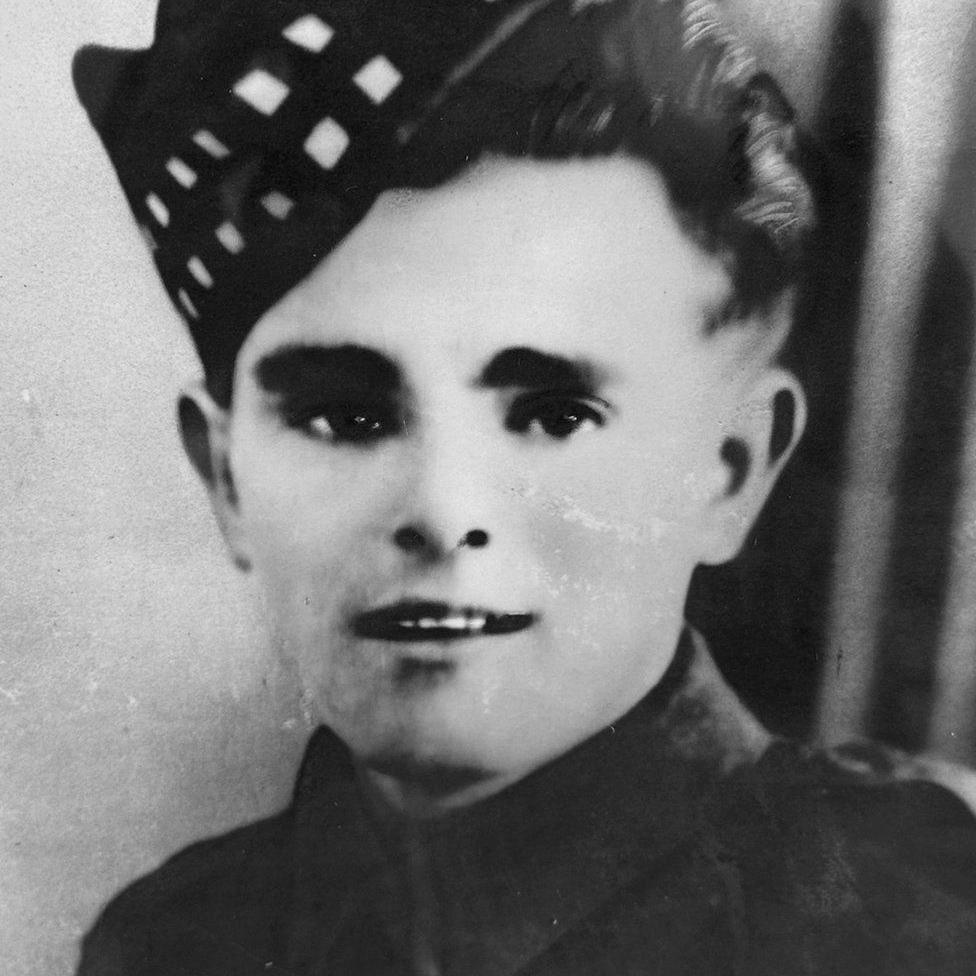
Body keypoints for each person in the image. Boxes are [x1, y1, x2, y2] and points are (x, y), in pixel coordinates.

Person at [72, 0, 976, 973]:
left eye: (555, 413)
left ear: (729, 470)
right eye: (344, 416)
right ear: (227, 478)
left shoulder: (915, 924)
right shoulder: (171, 942)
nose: (444, 512)